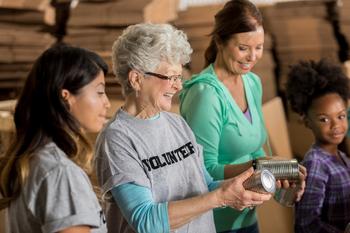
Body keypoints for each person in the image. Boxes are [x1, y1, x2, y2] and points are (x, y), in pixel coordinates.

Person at [94, 23, 272, 233]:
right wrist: (219, 197)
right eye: (171, 77)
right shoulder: (118, 138)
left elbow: (204, 186)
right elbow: (145, 220)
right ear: (137, 79)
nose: (178, 86)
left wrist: (237, 188)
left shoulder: (177, 124)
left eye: (179, 78)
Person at [179, 0, 306, 232]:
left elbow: (254, 149)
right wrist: (261, 165)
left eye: (259, 47)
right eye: (243, 48)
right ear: (220, 42)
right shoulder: (205, 95)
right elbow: (203, 170)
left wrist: (280, 177)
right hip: (215, 222)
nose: (253, 56)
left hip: (246, 217)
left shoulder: (252, 82)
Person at [0, 44, 111, 233]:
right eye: (99, 92)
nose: (107, 102)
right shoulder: (60, 172)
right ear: (66, 97)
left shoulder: (35, 160)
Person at [285, 59, 350, 233]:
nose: (335, 125)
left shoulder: (341, 157)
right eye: (324, 119)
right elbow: (306, 223)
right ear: (307, 121)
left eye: (341, 116)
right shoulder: (315, 164)